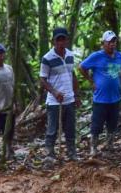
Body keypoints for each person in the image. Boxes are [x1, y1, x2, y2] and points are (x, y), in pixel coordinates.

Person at [79, 31, 121, 156]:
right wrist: (91, 81)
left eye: (114, 41)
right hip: (100, 99)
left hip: (115, 98)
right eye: (109, 42)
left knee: (112, 124)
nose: (112, 44)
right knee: (97, 125)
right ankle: (93, 148)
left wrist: (120, 82)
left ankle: (109, 146)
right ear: (103, 43)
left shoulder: (120, 57)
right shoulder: (96, 56)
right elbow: (81, 67)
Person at [40, 27, 81, 163]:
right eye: (58, 40)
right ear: (53, 41)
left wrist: (77, 95)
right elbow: (42, 80)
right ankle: (49, 154)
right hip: (54, 101)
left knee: (70, 128)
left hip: (69, 99)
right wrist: (55, 92)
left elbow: (72, 75)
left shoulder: (70, 55)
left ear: (67, 40)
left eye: (63, 39)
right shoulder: (47, 58)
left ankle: (71, 153)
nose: (61, 42)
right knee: (52, 129)